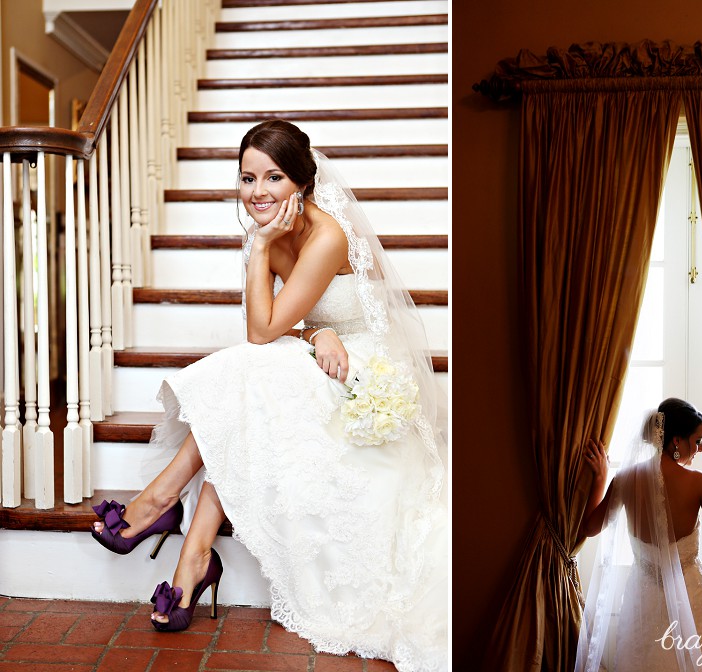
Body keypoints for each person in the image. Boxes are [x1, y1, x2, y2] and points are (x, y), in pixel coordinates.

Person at [89, 120, 448, 672]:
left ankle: (163, 508)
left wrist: (282, 288)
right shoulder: (266, 229)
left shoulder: (326, 233)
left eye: (274, 177)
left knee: (252, 375)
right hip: (316, 351)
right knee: (252, 385)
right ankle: (192, 551)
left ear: (302, 184)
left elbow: (261, 331)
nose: (258, 192)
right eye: (247, 178)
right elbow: (271, 328)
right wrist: (308, 326)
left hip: (363, 366)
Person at [575, 398, 702, 672]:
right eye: (697, 441)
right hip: (690, 596)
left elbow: (589, 528)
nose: (700, 449)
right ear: (676, 441)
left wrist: (601, 478)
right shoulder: (697, 483)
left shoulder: (625, 480)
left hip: (643, 600)